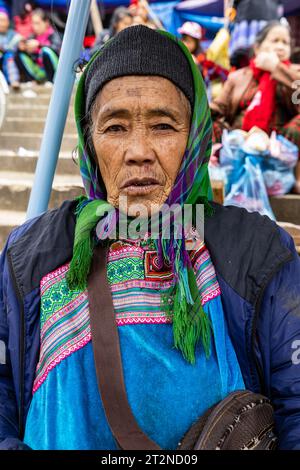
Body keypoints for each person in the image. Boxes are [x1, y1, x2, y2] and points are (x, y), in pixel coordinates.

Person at [0, 25, 300, 451]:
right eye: (115, 127)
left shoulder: (256, 250)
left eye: (162, 125)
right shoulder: (31, 253)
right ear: (89, 141)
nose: (138, 150)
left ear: (195, 136)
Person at [211, 21, 300, 193]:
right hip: (240, 141)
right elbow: (217, 108)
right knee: (205, 122)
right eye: (275, 41)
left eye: (285, 42)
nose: (281, 47)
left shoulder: (294, 73)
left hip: (278, 147)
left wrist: (276, 68)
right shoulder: (239, 76)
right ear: (258, 48)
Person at [178, 21, 229, 100]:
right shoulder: (180, 52)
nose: (186, 44)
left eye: (189, 41)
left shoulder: (202, 58)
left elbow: (205, 77)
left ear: (196, 42)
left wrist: (197, 65)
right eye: (184, 40)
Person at [15, 8, 61, 84]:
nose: (34, 26)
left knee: (45, 51)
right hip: (40, 71)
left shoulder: (53, 35)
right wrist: (23, 48)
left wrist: (39, 45)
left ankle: (51, 81)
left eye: (37, 23)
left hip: (56, 71)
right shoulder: (32, 36)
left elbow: (56, 49)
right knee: (19, 54)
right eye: (33, 23)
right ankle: (31, 80)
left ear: (46, 23)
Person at [0, 6, 22, 89]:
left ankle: (14, 81)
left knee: (9, 57)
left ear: (8, 22)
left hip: (9, 59)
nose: (1, 23)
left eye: (3, 20)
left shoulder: (12, 34)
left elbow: (16, 45)